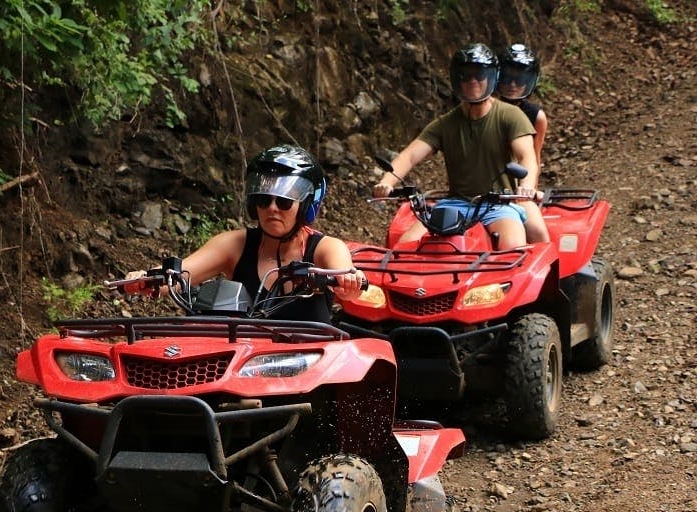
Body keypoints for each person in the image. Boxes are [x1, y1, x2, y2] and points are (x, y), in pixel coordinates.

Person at [128, 144, 367, 322]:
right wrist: (146, 279)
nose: (272, 208)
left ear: (306, 205)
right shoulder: (234, 244)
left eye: (284, 202)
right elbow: (179, 275)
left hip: (307, 368)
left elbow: (347, 280)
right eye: (263, 199)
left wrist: (349, 284)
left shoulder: (326, 248)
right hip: (243, 362)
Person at [372, 43, 540, 249]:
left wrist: (527, 186)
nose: (473, 82)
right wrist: (387, 182)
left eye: (479, 75)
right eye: (466, 76)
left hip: (498, 203)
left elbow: (527, 157)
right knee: (405, 246)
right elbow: (410, 156)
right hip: (454, 204)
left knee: (513, 247)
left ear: (491, 78)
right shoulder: (446, 123)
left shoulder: (510, 115)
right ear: (457, 79)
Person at [497, 43, 550, 243]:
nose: (513, 84)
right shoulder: (483, 109)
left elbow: (533, 158)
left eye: (520, 79)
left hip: (516, 189)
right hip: (483, 188)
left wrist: (528, 189)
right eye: (507, 77)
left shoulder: (536, 116)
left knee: (538, 234)